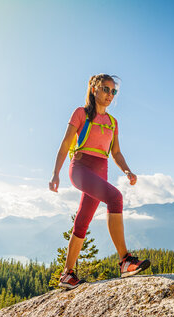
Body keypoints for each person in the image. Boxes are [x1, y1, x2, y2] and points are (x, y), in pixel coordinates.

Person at [49, 74, 150, 289]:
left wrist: (127, 170)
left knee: (83, 220)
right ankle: (125, 261)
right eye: (105, 89)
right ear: (94, 88)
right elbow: (66, 143)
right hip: (81, 168)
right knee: (115, 198)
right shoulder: (81, 114)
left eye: (113, 91)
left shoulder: (113, 122)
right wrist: (56, 173)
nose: (109, 95)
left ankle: (67, 275)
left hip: (101, 171)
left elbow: (116, 152)